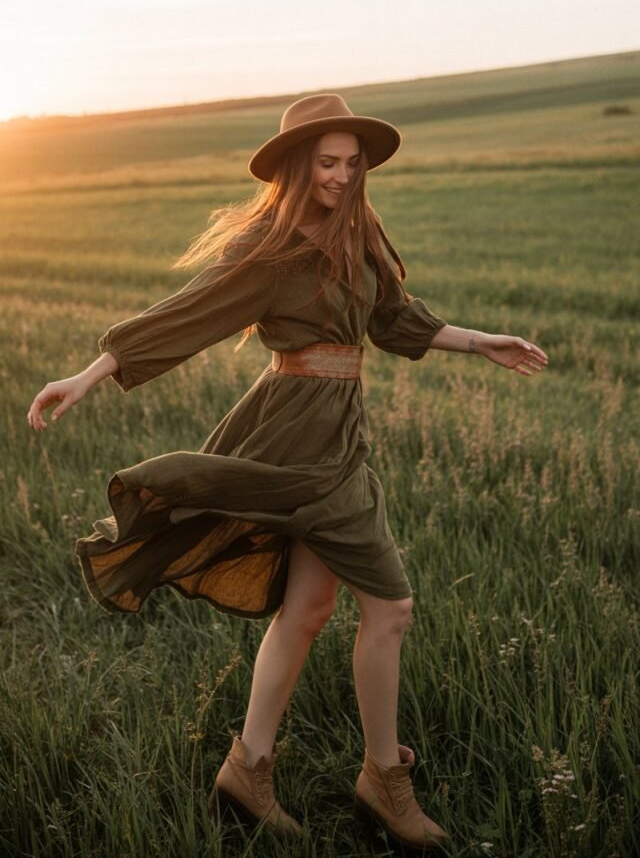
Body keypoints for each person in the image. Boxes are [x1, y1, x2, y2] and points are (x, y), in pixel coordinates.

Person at [27, 93, 548, 854]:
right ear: (300, 167)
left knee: (306, 610)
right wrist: (89, 373)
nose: (341, 176)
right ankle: (382, 780)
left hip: (339, 436)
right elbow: (187, 313)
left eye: (351, 162)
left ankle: (248, 768)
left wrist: (481, 342)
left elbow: (396, 318)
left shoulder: (360, 232)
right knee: (392, 608)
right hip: (295, 442)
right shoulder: (269, 251)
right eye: (327, 163)